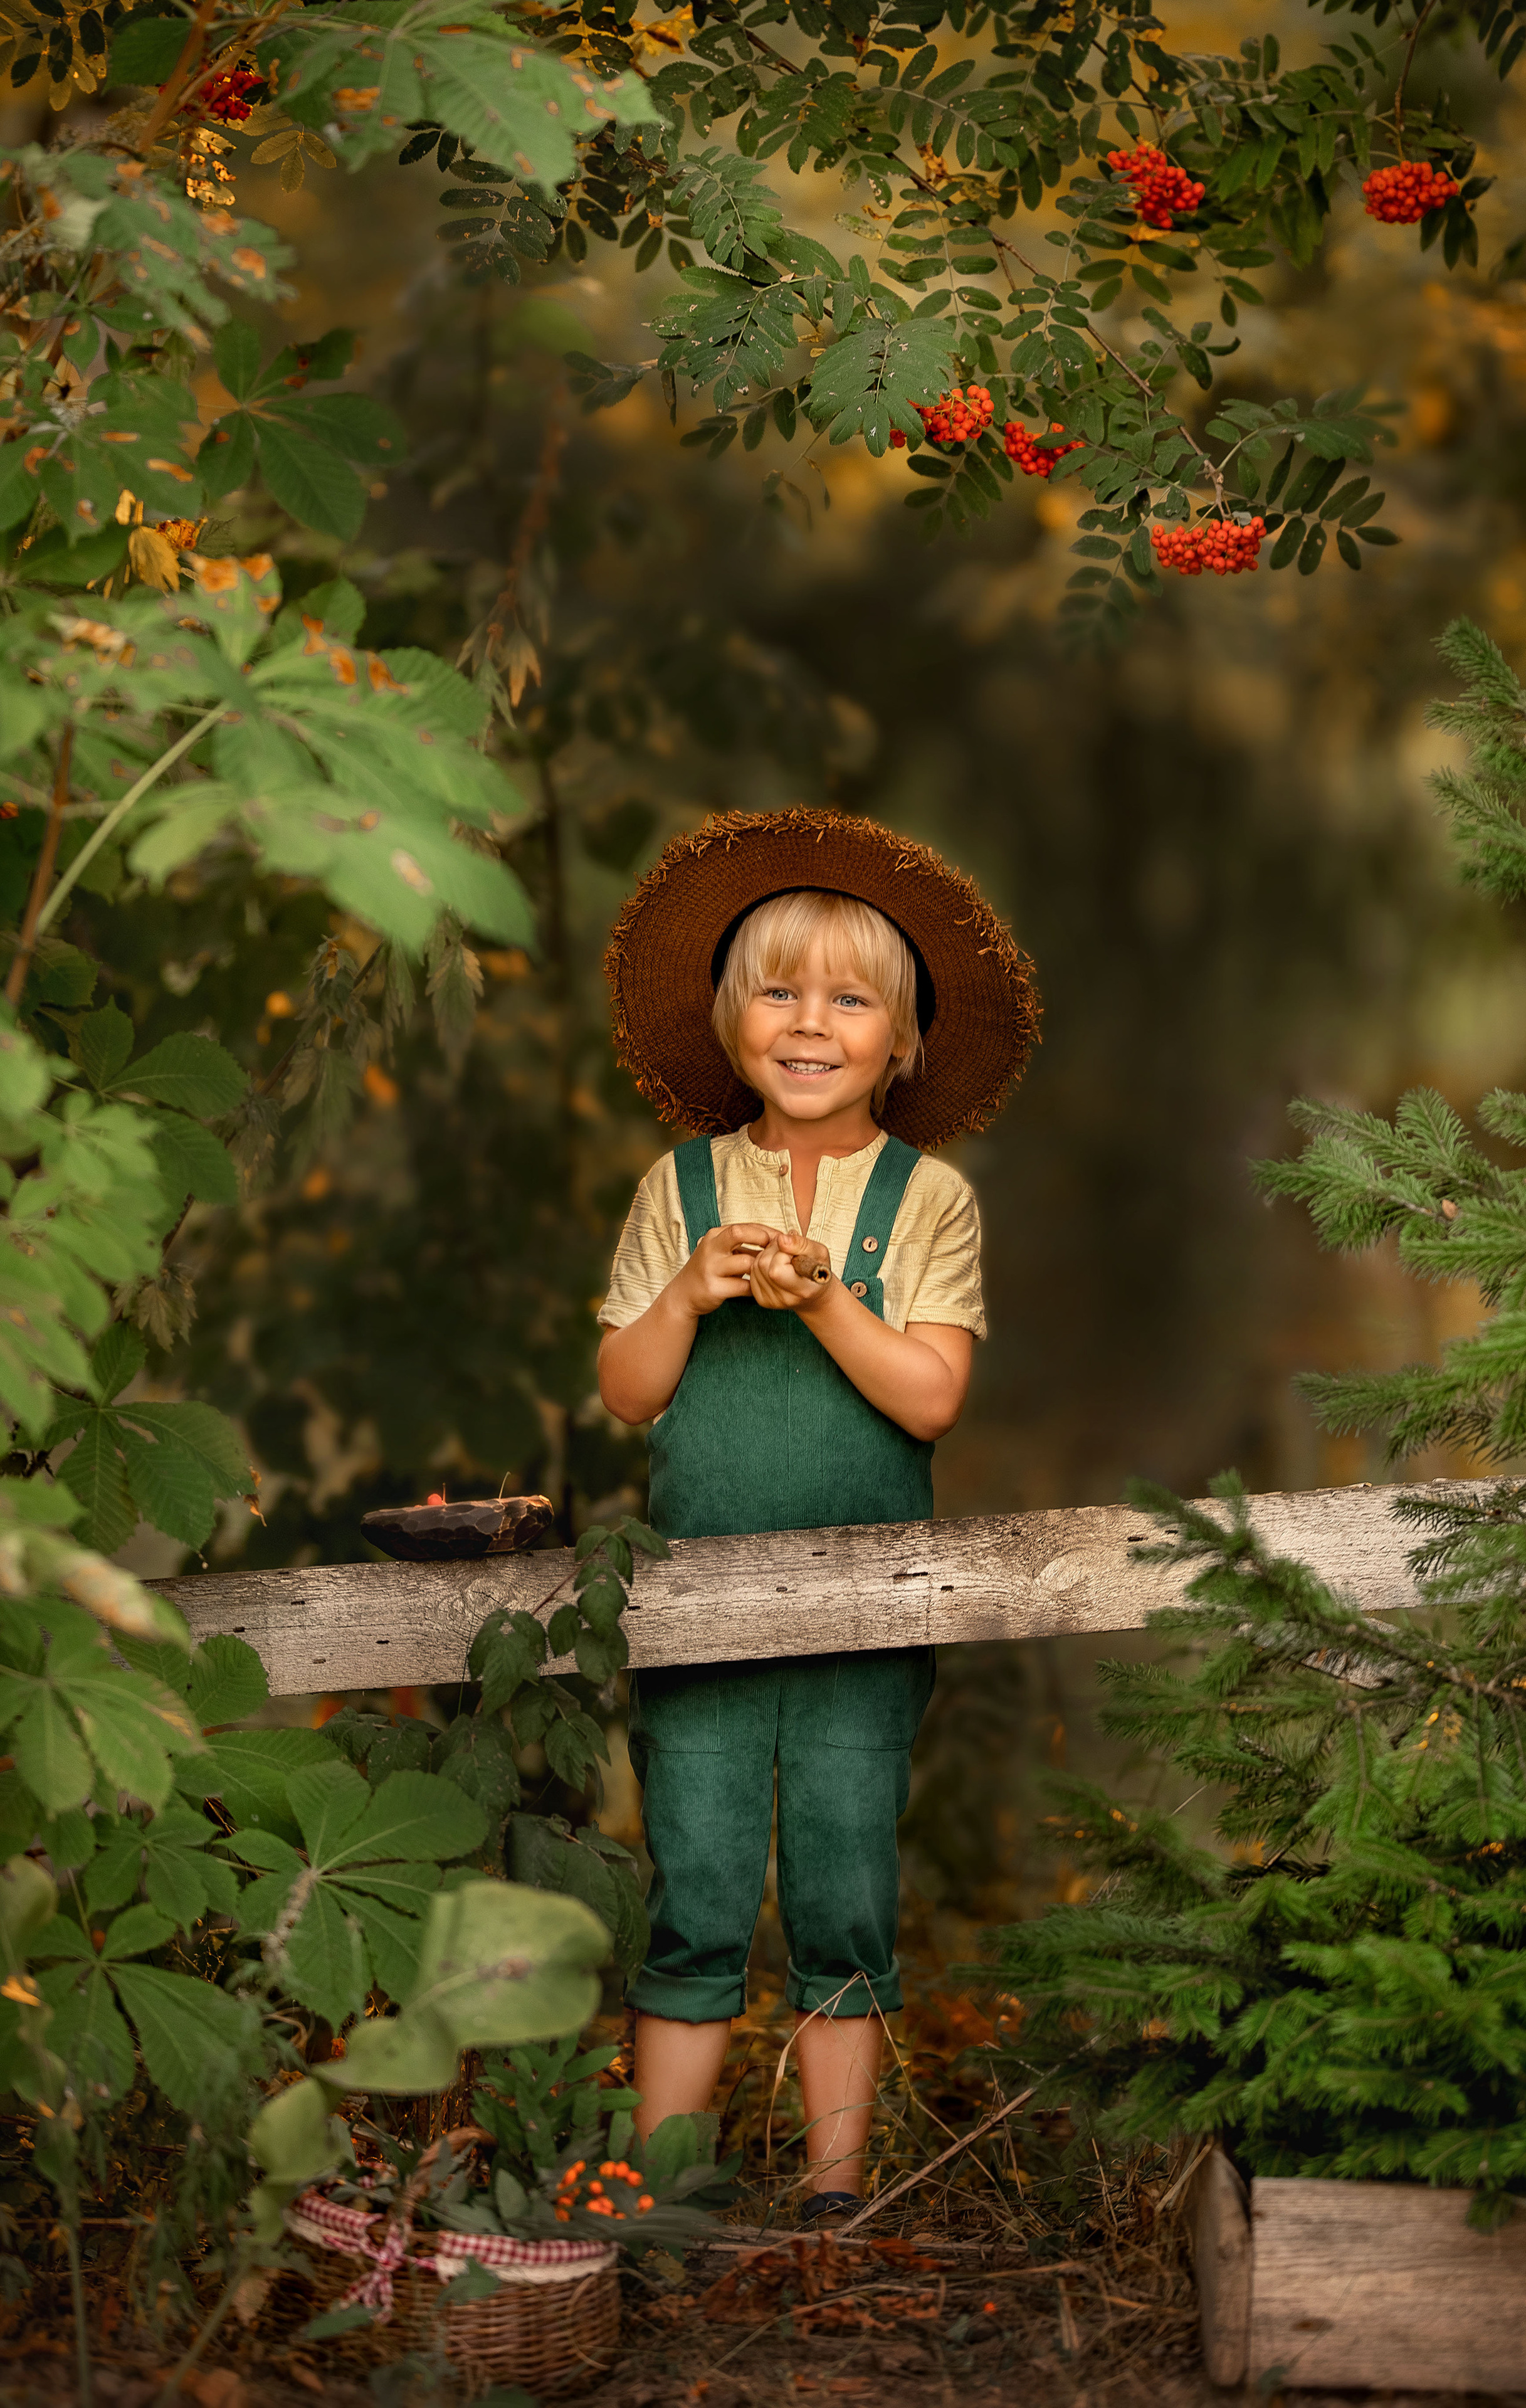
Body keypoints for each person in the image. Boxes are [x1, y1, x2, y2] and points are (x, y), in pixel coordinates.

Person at [597, 807, 1039, 2221]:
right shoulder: (675, 1189)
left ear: (899, 1040)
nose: (809, 1023)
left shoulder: (928, 1201)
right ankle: (660, 2194)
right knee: (700, 1881)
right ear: (730, 1023)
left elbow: (927, 1400)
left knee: (845, 1885)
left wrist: (823, 1296)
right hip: (698, 1601)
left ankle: (835, 2197)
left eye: (849, 999)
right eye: (776, 991)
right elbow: (624, 1388)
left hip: (868, 1603)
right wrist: (692, 1291)